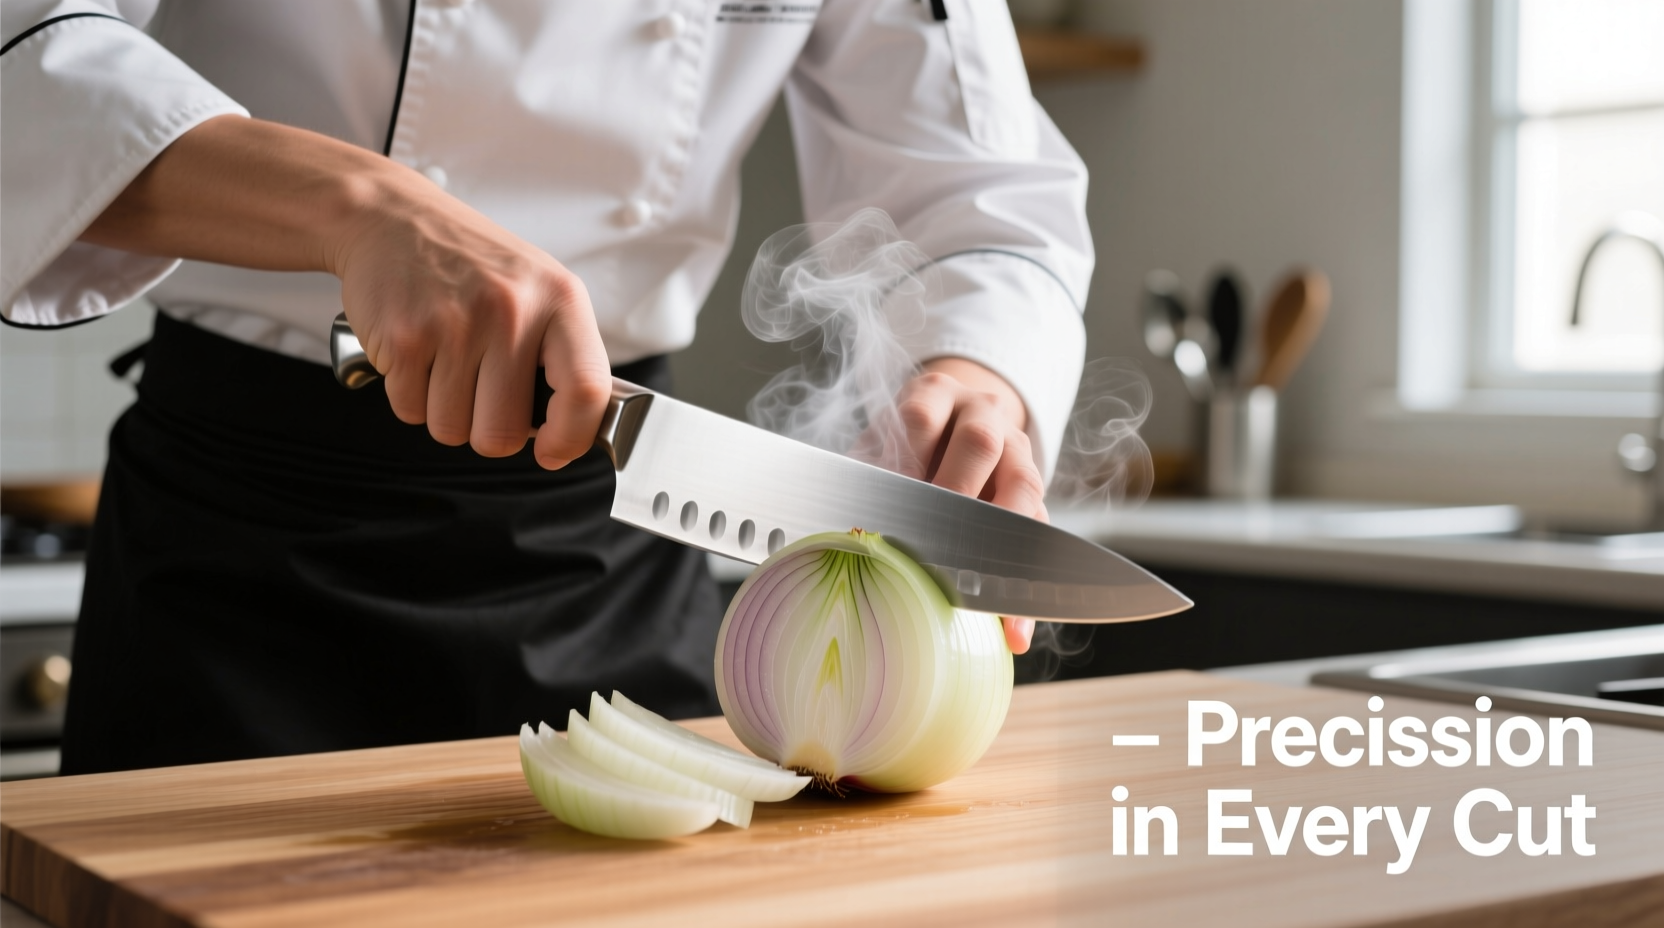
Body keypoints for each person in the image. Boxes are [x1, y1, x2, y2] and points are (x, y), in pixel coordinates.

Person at [0, 0, 1092, 775]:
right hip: (239, 567)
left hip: (605, 560)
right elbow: (31, 64)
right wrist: (359, 208)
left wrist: (973, 367)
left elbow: (981, 190)